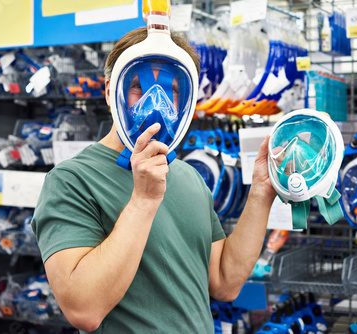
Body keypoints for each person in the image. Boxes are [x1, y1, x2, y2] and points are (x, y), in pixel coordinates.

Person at [32, 26, 277, 334]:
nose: (156, 101)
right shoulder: (71, 181)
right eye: (138, 86)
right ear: (110, 91)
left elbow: (225, 282)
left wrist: (260, 193)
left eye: (172, 91)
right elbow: (84, 309)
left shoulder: (188, 175)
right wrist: (143, 200)